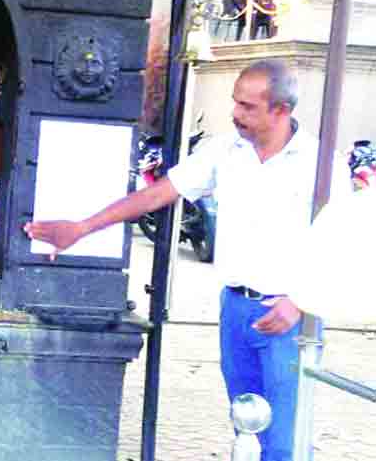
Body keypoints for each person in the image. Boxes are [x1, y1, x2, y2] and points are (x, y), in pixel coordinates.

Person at [23, 60, 350, 461]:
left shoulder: (321, 163)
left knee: (285, 442)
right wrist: (82, 227)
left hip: (289, 318)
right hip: (235, 309)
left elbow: (342, 240)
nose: (235, 113)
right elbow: (157, 193)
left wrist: (299, 301)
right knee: (247, 428)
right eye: (235, 101)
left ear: (281, 110)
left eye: (247, 106)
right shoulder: (225, 150)